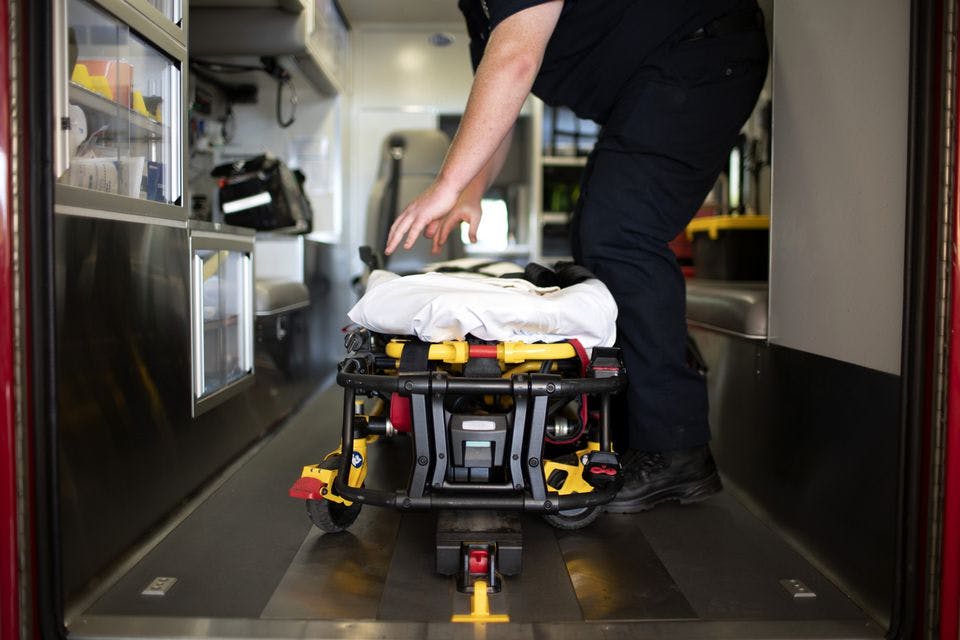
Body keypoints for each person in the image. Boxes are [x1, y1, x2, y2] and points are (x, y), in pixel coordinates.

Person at [385, 0, 769, 512]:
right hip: (656, 79)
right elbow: (503, 100)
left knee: (620, 234)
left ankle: (675, 448)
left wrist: (446, 183)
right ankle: (638, 428)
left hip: (698, 50)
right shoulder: (478, 9)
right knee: (597, 238)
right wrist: (469, 192)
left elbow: (517, 60)